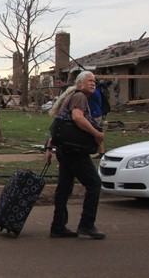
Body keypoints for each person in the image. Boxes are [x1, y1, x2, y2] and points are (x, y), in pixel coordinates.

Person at [45, 71, 106, 239]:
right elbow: (77, 118)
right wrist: (96, 134)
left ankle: (58, 226)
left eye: (94, 81)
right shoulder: (80, 97)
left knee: (64, 189)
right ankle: (86, 225)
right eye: (89, 81)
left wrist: (49, 148)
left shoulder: (69, 97)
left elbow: (58, 124)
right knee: (94, 184)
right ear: (80, 84)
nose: (93, 83)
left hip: (64, 151)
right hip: (75, 152)